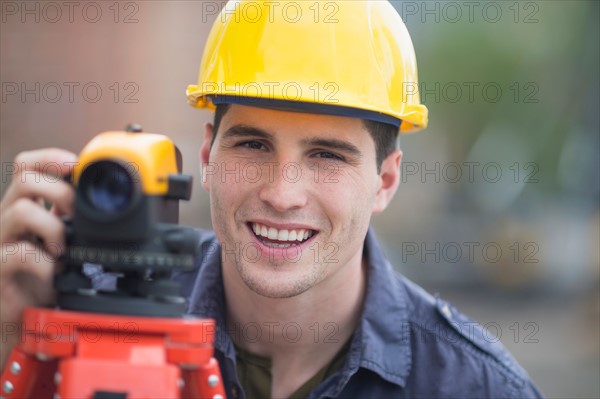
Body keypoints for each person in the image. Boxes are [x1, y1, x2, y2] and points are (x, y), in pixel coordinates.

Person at [1, 1, 543, 398]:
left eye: (328, 156)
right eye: (253, 143)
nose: (282, 194)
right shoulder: (68, 328)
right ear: (208, 156)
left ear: (385, 181)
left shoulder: (476, 386)